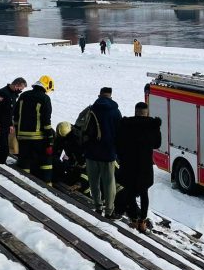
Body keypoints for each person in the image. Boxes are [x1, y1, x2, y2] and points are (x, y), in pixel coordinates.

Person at [116, 102, 162, 232]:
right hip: (145, 165)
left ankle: (134, 219)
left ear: (136, 111)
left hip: (129, 164)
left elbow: (118, 143)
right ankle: (142, 221)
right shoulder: (153, 125)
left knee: (130, 191)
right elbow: (157, 144)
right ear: (146, 112)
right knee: (144, 193)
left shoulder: (126, 124)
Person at [85, 87, 122, 217]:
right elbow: (119, 134)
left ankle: (97, 206)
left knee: (93, 182)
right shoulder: (115, 112)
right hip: (108, 153)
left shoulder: (91, 109)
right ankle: (109, 210)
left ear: (99, 95)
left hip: (91, 151)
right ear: (110, 96)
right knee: (109, 182)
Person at [14, 75, 55, 181]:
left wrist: (17, 133)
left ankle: (24, 183)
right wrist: (50, 138)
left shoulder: (23, 95)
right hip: (38, 138)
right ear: (47, 86)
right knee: (46, 161)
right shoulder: (45, 98)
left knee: (25, 162)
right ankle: (46, 185)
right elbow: (46, 121)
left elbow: (16, 116)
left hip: (22, 137)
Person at [0, 77, 27, 164]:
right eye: (20, 89)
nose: (20, 91)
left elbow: (9, 113)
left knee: (4, 150)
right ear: (16, 85)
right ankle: (0, 168)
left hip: (5, 126)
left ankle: (1, 165)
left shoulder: (12, 94)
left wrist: (11, 124)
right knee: (2, 150)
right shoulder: (3, 93)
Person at [52, 121, 88, 189]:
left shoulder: (77, 140)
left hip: (82, 163)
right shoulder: (64, 136)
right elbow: (56, 150)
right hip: (74, 161)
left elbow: (82, 159)